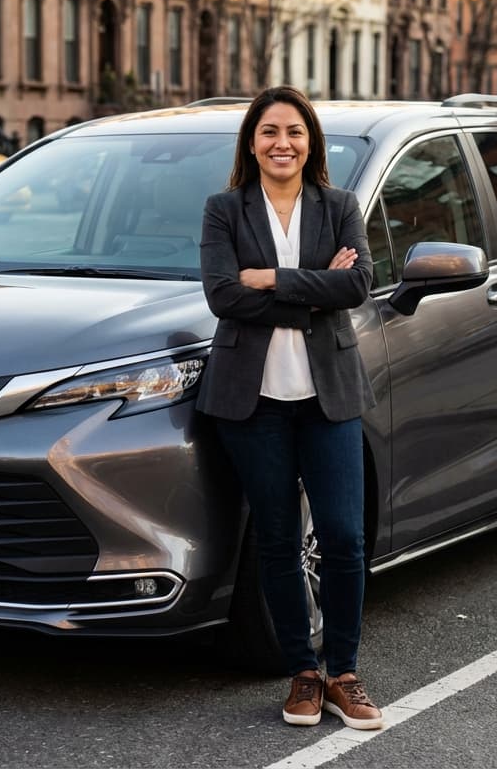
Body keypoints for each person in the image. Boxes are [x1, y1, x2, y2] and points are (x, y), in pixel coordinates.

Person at [197, 86, 382, 731]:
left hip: (328, 396)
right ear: (252, 141)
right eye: (270, 131)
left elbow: (358, 285)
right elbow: (223, 296)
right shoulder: (224, 210)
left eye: (295, 132)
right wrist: (314, 286)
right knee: (276, 538)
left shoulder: (339, 205)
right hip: (252, 403)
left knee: (343, 536)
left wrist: (271, 278)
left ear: (311, 143)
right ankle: (303, 673)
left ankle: (344, 674)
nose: (283, 143)